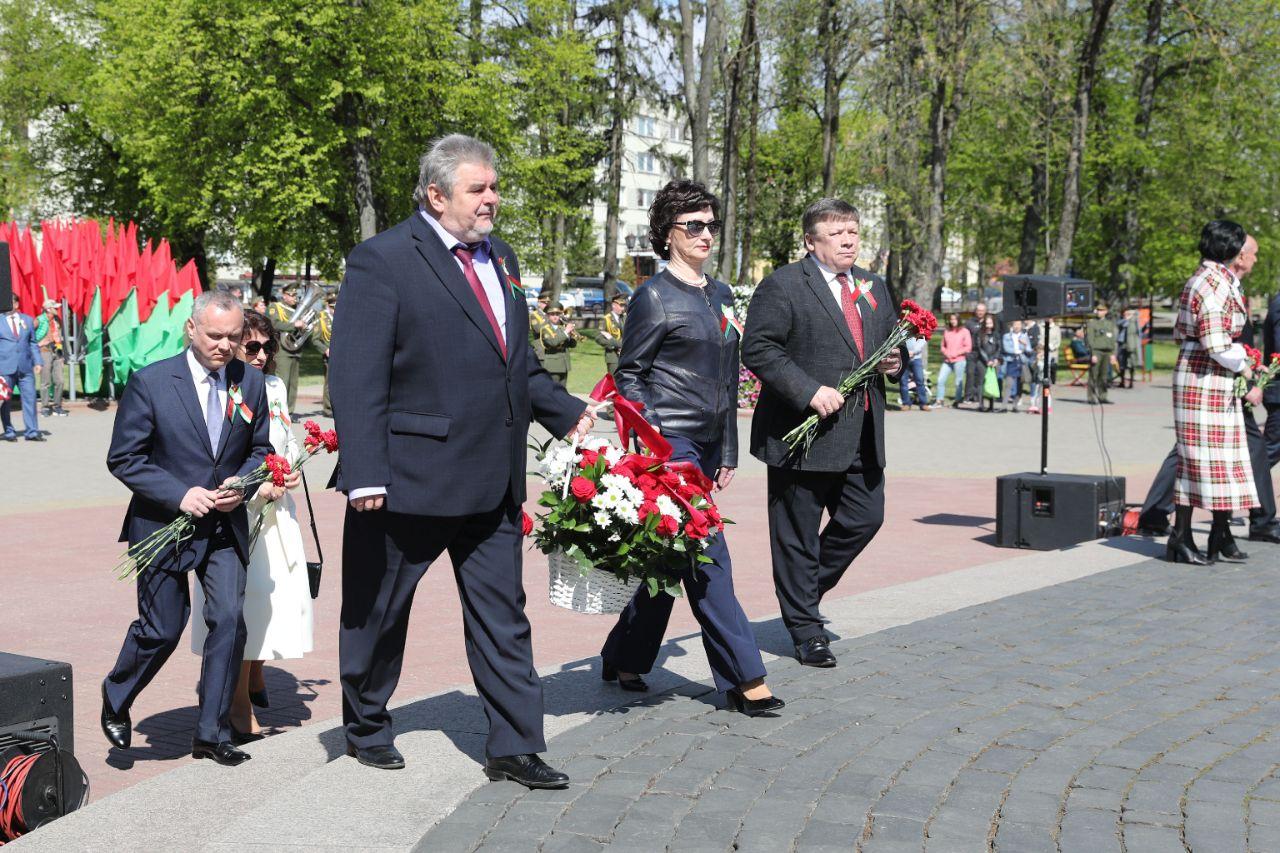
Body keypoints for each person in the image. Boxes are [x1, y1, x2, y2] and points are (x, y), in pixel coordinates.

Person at [328, 134, 593, 787]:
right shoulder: (382, 259)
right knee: (379, 610)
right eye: (479, 188)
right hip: (407, 477)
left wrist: (565, 411)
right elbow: (355, 376)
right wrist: (364, 470)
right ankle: (365, 724)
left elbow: (514, 361)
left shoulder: (500, 257)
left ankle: (513, 744)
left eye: (494, 187)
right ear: (436, 193)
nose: (492, 199)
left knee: (503, 613)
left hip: (493, 477)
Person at [601, 179, 782, 716]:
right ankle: (745, 679)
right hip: (670, 444)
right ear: (668, 233)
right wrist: (658, 450)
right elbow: (629, 377)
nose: (706, 235)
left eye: (710, 225)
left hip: (706, 443)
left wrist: (726, 448)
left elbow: (730, 378)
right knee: (709, 556)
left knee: (669, 555)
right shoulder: (652, 296)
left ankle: (624, 655)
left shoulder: (720, 294)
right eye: (693, 226)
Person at [100, 291, 272, 766]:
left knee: (229, 621)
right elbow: (124, 459)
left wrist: (246, 481)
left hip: (225, 525)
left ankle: (212, 734)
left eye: (234, 337)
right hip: (164, 523)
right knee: (162, 628)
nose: (225, 346)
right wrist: (179, 494)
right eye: (215, 336)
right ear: (191, 330)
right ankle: (116, 694)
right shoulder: (152, 383)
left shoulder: (250, 382)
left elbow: (261, 449)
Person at [742, 197, 904, 670]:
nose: (849, 239)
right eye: (837, 233)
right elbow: (759, 348)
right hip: (803, 433)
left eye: (853, 230)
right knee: (796, 536)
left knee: (864, 518)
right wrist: (809, 391)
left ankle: (802, 591)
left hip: (863, 432)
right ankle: (806, 630)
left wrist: (896, 362)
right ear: (811, 241)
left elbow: (889, 343)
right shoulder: (784, 285)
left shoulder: (873, 285)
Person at [190, 311, 311, 740]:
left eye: (267, 348)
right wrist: (254, 487)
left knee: (273, 606)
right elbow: (221, 456)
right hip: (240, 514)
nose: (260, 356)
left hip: (278, 516)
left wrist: (292, 468)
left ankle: (250, 678)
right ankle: (238, 709)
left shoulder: (272, 388)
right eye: (251, 347)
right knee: (243, 610)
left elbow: (285, 441)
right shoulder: (223, 389)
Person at [1168, 220, 1259, 564]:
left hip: (1210, 375)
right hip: (1202, 377)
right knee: (1198, 461)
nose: (1254, 261)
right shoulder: (1211, 284)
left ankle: (1218, 535)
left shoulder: (1217, 280)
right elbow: (1216, 343)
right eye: (1252, 254)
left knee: (1223, 460)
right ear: (1236, 254)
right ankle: (1181, 537)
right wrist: (1244, 363)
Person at [0, 295, 43, 442]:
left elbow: (33, 343)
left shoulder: (28, 320)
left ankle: (32, 431)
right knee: (5, 401)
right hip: (5, 368)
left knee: (30, 399)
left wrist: (38, 362)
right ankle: (9, 431)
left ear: (17, 304)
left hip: (25, 367)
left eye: (10, 302)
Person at [267, 285, 306, 415]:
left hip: (295, 348)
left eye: (295, 295)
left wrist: (304, 327)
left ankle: (289, 411)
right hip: (282, 349)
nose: (294, 298)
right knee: (283, 381)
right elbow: (274, 324)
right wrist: (294, 325)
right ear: (284, 295)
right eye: (291, 295)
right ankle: (280, 410)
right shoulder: (275, 307)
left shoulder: (298, 310)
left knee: (293, 383)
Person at [963, 302, 1000, 405]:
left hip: (984, 353)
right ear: (976, 311)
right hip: (972, 352)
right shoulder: (969, 322)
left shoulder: (989, 321)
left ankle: (978, 396)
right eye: (978, 310)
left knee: (980, 376)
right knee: (970, 373)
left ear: (985, 311)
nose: (980, 312)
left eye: (982, 310)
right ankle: (968, 396)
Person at [36, 300, 68, 418]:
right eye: (54, 307)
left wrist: (62, 353)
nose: (57, 309)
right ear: (48, 309)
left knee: (59, 380)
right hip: (45, 351)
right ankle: (45, 406)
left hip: (57, 352)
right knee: (46, 381)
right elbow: (29, 335)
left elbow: (60, 336)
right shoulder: (39, 320)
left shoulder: (56, 320)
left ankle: (57, 406)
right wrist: (38, 344)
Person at [1085, 302, 1118, 404]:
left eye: (1101, 310)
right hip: (1097, 351)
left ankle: (1103, 396)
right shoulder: (1092, 323)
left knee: (1104, 376)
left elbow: (1112, 340)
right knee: (1093, 375)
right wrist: (1093, 353)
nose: (1099, 312)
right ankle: (1091, 397)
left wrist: (1113, 354)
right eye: (1098, 310)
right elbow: (1090, 339)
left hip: (1107, 352)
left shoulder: (1110, 323)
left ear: (1106, 312)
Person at [936, 313, 971, 406]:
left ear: (958, 320)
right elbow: (942, 346)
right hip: (947, 360)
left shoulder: (964, 331)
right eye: (951, 319)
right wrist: (945, 352)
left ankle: (958, 400)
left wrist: (956, 353)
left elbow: (968, 347)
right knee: (940, 379)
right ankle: (939, 400)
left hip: (959, 360)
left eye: (955, 319)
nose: (953, 321)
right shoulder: (947, 331)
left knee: (958, 381)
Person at [539, 305, 576, 387]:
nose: (555, 316)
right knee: (554, 391)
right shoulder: (545, 329)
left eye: (557, 314)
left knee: (563, 391)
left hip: (564, 363)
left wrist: (572, 335)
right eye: (552, 314)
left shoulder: (562, 328)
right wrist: (566, 332)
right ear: (548, 316)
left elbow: (572, 345)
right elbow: (553, 342)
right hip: (553, 365)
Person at [592, 292, 627, 375]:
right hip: (613, 356)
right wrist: (614, 345)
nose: (623, 308)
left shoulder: (625, 317)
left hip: (625, 354)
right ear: (614, 305)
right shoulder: (605, 319)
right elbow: (598, 338)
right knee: (614, 382)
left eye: (623, 306)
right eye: (621, 306)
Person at [1000, 319, 1029, 412]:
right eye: (1015, 324)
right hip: (1011, 361)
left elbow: (1029, 349)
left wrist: (1024, 345)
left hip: (1021, 361)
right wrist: (1019, 351)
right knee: (1008, 384)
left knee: (1020, 384)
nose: (1017, 326)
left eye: (1019, 324)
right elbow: (1007, 348)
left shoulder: (1025, 336)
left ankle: (1015, 406)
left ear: (1021, 326)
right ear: (1012, 326)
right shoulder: (1007, 336)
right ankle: (1003, 406)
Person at [974, 315, 1001, 413]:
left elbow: (999, 347)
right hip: (982, 361)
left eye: (991, 323)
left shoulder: (996, 334)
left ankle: (991, 405)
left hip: (994, 362)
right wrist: (987, 360)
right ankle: (981, 404)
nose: (989, 325)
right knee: (981, 382)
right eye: (987, 323)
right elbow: (979, 348)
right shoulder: (980, 334)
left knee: (992, 382)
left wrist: (995, 359)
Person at [313, 294, 335, 418]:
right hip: (329, 354)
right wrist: (325, 349)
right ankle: (328, 409)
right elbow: (315, 339)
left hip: (341, 354)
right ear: (328, 306)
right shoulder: (321, 318)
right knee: (329, 383)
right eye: (333, 307)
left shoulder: (341, 317)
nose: (335, 310)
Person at [899, 335, 931, 411]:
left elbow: (922, 341)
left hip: (916, 359)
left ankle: (923, 403)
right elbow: (900, 341)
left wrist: (913, 352)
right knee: (903, 382)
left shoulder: (919, 328)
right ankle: (906, 403)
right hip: (903, 358)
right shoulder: (902, 329)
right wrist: (905, 352)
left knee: (920, 381)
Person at [1117, 308, 1141, 388]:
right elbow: (1118, 324)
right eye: (1124, 314)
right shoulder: (1122, 321)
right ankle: (1122, 381)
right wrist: (1126, 319)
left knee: (1131, 363)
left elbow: (1138, 332)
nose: (1125, 315)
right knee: (1121, 363)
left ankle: (1131, 381)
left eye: (1127, 314)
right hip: (1122, 343)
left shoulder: (1134, 321)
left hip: (1131, 344)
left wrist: (1133, 315)